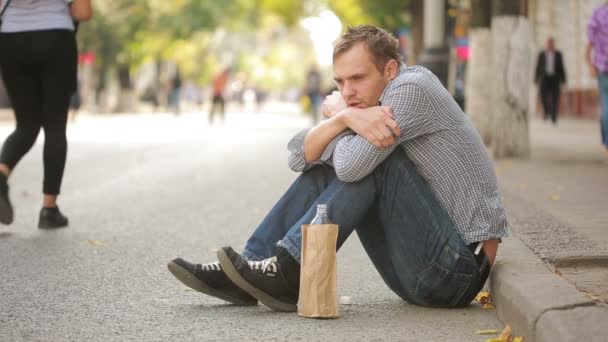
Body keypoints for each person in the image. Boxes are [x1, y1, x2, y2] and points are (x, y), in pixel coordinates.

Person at [168, 25, 508, 312]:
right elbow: (298, 156)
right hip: (419, 266)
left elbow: (349, 167)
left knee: (371, 164)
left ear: (389, 70)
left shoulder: (411, 90)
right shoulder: (367, 103)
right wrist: (346, 118)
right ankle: (251, 269)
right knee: (338, 162)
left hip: (456, 272)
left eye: (357, 78)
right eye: (340, 81)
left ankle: (287, 271)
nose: (347, 91)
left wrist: (342, 117)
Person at [0, 0, 92, 228]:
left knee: (26, 126)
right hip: (56, 38)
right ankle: (49, 210)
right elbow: (83, 11)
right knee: (54, 127)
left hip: (12, 40)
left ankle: (0, 177)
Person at [586, 2, 608, 152]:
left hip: (602, 67)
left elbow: (589, 44)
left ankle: (607, 143)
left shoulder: (598, 14)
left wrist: (590, 65)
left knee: (606, 105)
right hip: (602, 68)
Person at [534, 37, 567, 125]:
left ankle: (554, 116)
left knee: (556, 98)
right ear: (547, 44)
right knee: (543, 96)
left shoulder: (558, 54)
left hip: (555, 78)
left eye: (552, 43)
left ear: (554, 44)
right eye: (549, 43)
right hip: (545, 78)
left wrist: (564, 80)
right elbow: (538, 66)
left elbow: (562, 67)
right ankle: (546, 111)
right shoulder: (542, 54)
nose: (550, 45)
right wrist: (536, 78)